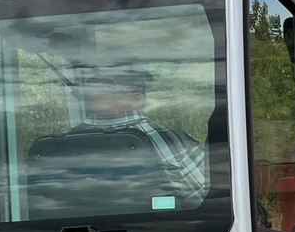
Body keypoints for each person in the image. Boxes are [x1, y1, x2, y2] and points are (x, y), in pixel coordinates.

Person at [73, 66, 208, 202]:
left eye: (140, 80)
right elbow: (209, 204)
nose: (140, 86)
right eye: (126, 81)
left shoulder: (61, 147)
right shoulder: (175, 143)